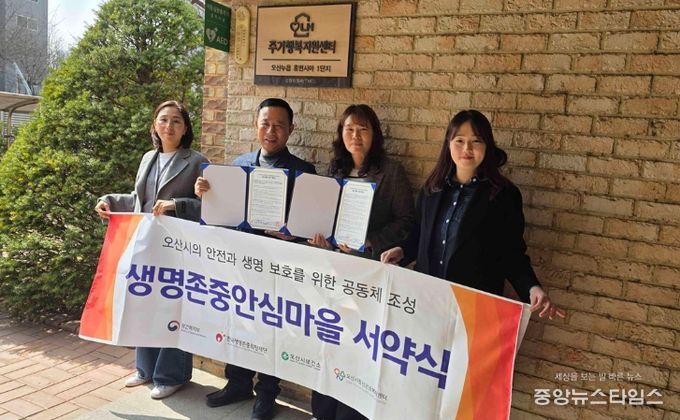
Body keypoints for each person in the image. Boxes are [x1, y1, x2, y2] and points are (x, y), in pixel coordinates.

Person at [194, 98, 316, 420]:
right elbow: (223, 214)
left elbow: (310, 225)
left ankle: (266, 394)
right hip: (242, 263)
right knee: (239, 323)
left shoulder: (304, 172)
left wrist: (295, 235)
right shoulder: (239, 165)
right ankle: (237, 384)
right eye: (265, 124)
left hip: (280, 267)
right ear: (255, 125)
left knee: (273, 330)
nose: (271, 131)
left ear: (291, 129)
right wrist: (206, 193)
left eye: (279, 125)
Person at [381, 109, 565, 321]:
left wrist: (532, 288)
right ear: (448, 144)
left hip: (473, 308)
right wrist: (402, 250)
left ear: (487, 145)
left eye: (476, 141)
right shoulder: (432, 189)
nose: (466, 149)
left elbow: (511, 253)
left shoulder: (503, 196)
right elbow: (419, 235)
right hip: (428, 301)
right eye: (459, 140)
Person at [94, 100, 208, 399]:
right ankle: (145, 369)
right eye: (163, 120)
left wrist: (176, 205)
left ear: (185, 128)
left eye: (176, 121)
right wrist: (108, 200)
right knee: (144, 305)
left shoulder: (197, 161)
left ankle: (172, 375)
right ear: (154, 126)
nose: (169, 126)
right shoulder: (148, 158)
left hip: (176, 250)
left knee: (172, 310)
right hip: (146, 246)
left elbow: (209, 207)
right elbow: (138, 200)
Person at [308, 104, 415, 420]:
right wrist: (324, 239)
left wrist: (371, 241)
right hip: (334, 271)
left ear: (374, 134)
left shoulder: (391, 172)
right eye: (349, 129)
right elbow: (326, 216)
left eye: (363, 129)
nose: (355, 135)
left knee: (358, 348)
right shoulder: (335, 170)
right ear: (341, 134)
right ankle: (323, 412)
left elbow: (407, 221)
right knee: (328, 341)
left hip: (368, 274)